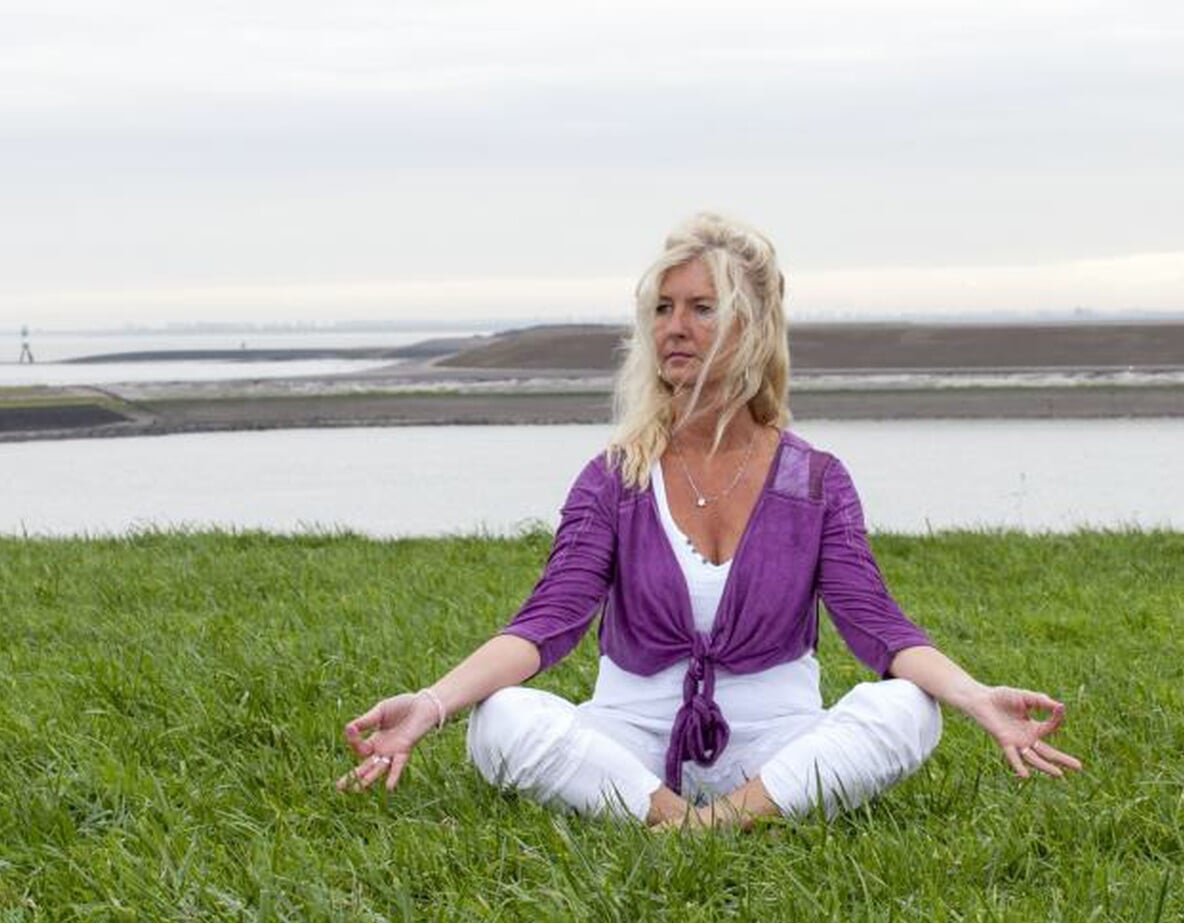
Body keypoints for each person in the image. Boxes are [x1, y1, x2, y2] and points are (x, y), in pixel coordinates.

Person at [337, 213, 1081, 827]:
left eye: (701, 308)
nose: (674, 327)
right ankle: (672, 815)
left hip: (775, 746)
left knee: (911, 710)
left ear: (752, 326)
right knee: (498, 720)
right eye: (662, 309)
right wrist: (432, 705)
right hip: (628, 744)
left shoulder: (815, 479)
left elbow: (879, 627)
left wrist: (975, 697)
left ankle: (721, 819)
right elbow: (546, 623)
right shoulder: (616, 476)